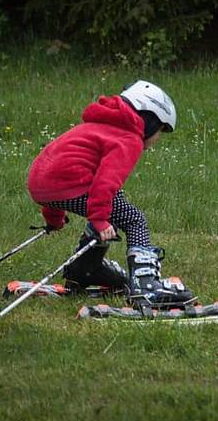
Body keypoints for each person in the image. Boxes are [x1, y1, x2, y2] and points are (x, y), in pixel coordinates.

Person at [27, 80, 194, 308]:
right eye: (160, 130)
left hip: (41, 183)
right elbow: (106, 182)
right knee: (134, 219)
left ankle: (86, 270)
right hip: (70, 185)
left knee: (114, 204)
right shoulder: (128, 138)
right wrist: (99, 218)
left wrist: (53, 218)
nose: (156, 140)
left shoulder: (98, 126)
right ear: (149, 119)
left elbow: (61, 169)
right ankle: (146, 287)